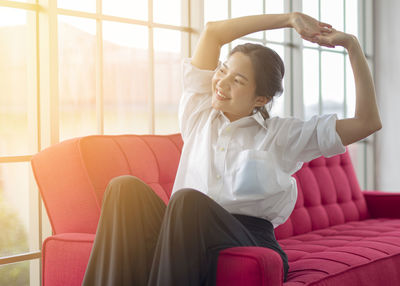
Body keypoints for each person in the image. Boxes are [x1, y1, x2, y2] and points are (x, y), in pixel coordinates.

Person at [82, 12, 382, 286]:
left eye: (237, 80)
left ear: (261, 99)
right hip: (183, 225)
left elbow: (367, 122)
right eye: (223, 70)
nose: (221, 83)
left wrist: (352, 46)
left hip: (247, 235)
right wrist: (290, 19)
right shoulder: (199, 113)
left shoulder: (282, 135)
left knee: (188, 201)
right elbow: (213, 32)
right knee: (124, 189)